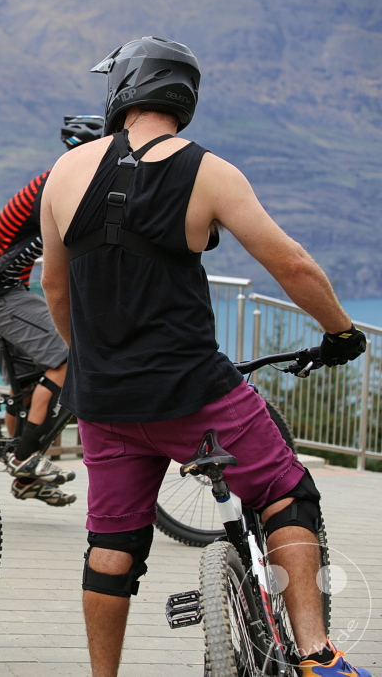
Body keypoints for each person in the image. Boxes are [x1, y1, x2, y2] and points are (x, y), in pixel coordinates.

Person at [39, 37, 370, 677]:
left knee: (111, 545)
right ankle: (315, 656)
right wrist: (341, 331)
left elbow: (55, 287)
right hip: (195, 394)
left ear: (123, 90)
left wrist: (95, 360)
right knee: (285, 494)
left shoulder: (65, 172)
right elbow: (292, 264)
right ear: (183, 96)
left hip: (104, 401)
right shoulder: (208, 171)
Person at [0, 115, 104, 508]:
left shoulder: (54, 182)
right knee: (66, 360)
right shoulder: (61, 191)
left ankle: (24, 480)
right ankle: (24, 459)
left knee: (27, 387)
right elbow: (69, 262)